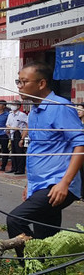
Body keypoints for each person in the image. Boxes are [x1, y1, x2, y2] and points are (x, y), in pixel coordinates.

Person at [7, 62, 84, 261]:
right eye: (18, 81)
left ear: (41, 83)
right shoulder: (34, 111)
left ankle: (32, 270)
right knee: (47, 238)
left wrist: (65, 183)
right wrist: (30, 185)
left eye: (24, 82)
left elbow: (80, 145)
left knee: (15, 220)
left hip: (56, 184)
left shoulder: (60, 107)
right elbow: (39, 150)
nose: (19, 86)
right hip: (40, 185)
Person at [7, 102, 28, 175]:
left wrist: (22, 138)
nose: (13, 106)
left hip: (19, 133)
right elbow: (7, 125)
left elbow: (27, 125)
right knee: (13, 152)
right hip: (12, 134)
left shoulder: (22, 115)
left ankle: (20, 169)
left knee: (19, 152)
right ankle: (14, 168)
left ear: (18, 106)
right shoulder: (10, 115)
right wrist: (11, 128)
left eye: (14, 105)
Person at [0, 100, 11, 172]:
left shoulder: (7, 114)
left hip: (3, 134)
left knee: (4, 150)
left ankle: (3, 166)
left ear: (4, 106)